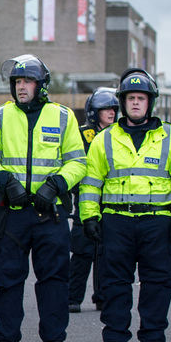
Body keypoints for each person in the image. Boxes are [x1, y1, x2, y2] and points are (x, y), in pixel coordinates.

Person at [79, 71, 171, 342]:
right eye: (130, 98)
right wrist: (89, 217)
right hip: (116, 220)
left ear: (150, 103)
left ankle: (153, 338)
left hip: (157, 220)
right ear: (121, 102)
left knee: (158, 280)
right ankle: (115, 338)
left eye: (140, 98)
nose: (135, 103)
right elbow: (91, 182)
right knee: (114, 282)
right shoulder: (105, 139)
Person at [0, 54, 86, 342]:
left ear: (41, 85)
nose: (21, 87)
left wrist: (56, 185)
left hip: (49, 213)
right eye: (17, 82)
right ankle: (6, 339)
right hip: (12, 212)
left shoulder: (63, 117)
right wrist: (4, 181)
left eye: (27, 81)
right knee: (6, 278)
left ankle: (55, 338)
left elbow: (78, 162)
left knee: (54, 277)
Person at [68, 87, 119, 313]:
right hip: (86, 199)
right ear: (93, 112)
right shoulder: (81, 134)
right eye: (105, 109)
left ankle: (103, 296)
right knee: (82, 251)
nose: (111, 113)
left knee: (107, 253)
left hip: (110, 201)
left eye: (113, 109)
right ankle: (72, 298)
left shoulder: (120, 134)